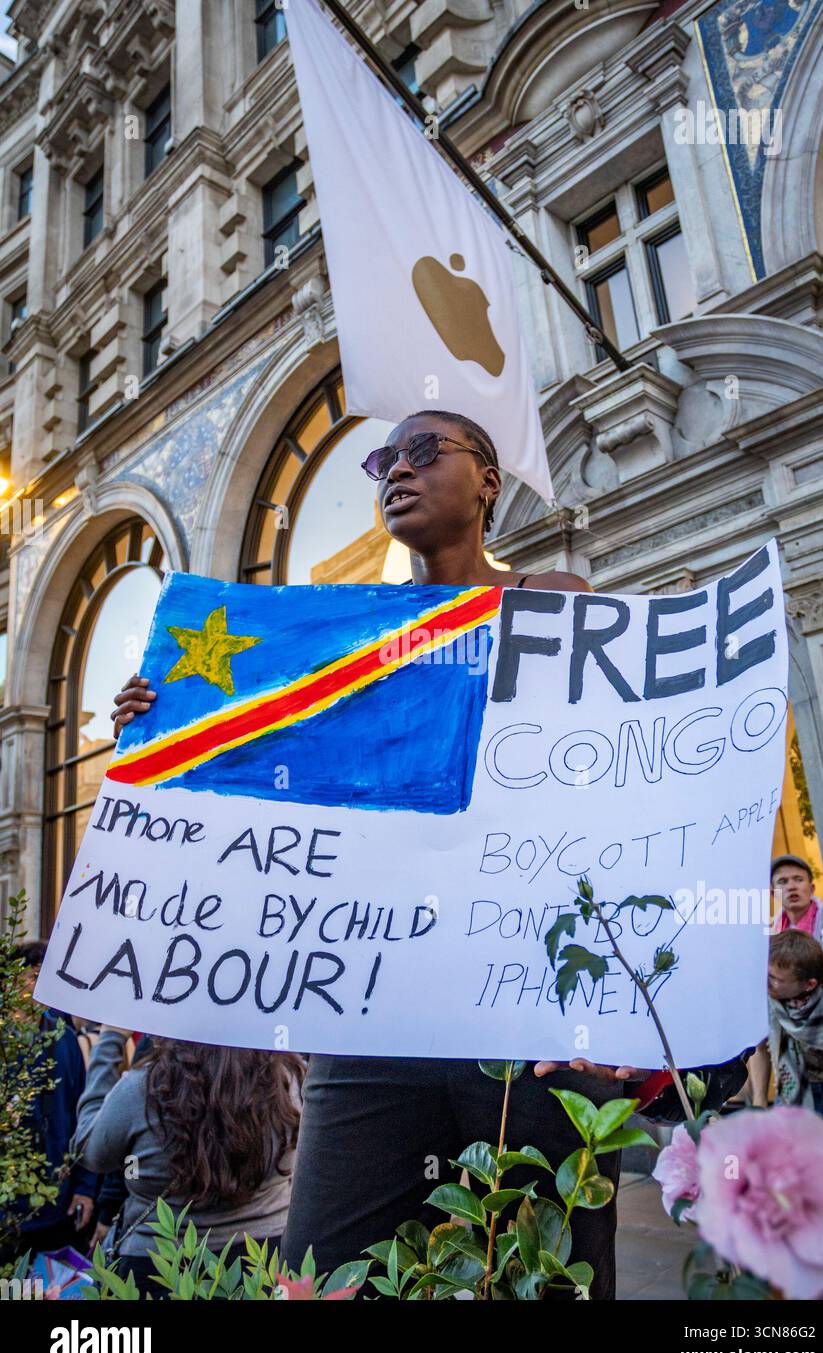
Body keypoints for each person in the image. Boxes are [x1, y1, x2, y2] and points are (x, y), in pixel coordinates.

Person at [111, 409, 649, 1299]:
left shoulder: (554, 600)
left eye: (423, 451)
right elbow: (257, 784)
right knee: (322, 1271)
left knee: (552, 1272)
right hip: (373, 1005)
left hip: (523, 1004)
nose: (395, 470)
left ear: (488, 479)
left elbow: (624, 786)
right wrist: (160, 731)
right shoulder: (329, 642)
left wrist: (621, 993)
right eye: (380, 459)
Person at [73, 1026, 305, 1295]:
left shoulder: (143, 1087)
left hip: (158, 1267)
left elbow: (90, 1151)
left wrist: (110, 1040)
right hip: (265, 1259)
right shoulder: (287, 1080)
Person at [2, 942, 97, 1262]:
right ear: (10, 981)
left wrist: (85, 1186)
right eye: (33, 976)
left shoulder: (64, 1038)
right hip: (7, 1211)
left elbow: (81, 1116)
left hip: (58, 1205)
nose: (41, 986)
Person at [751, 930, 823, 1163]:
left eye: (776, 978)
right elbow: (759, 1049)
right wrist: (760, 1103)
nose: (766, 982)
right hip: (793, 1090)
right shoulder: (767, 996)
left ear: (808, 985)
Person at [770, 853, 823, 978]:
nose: (791, 887)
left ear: (811, 888)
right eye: (783, 881)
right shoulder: (771, 939)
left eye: (798, 879)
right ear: (773, 893)